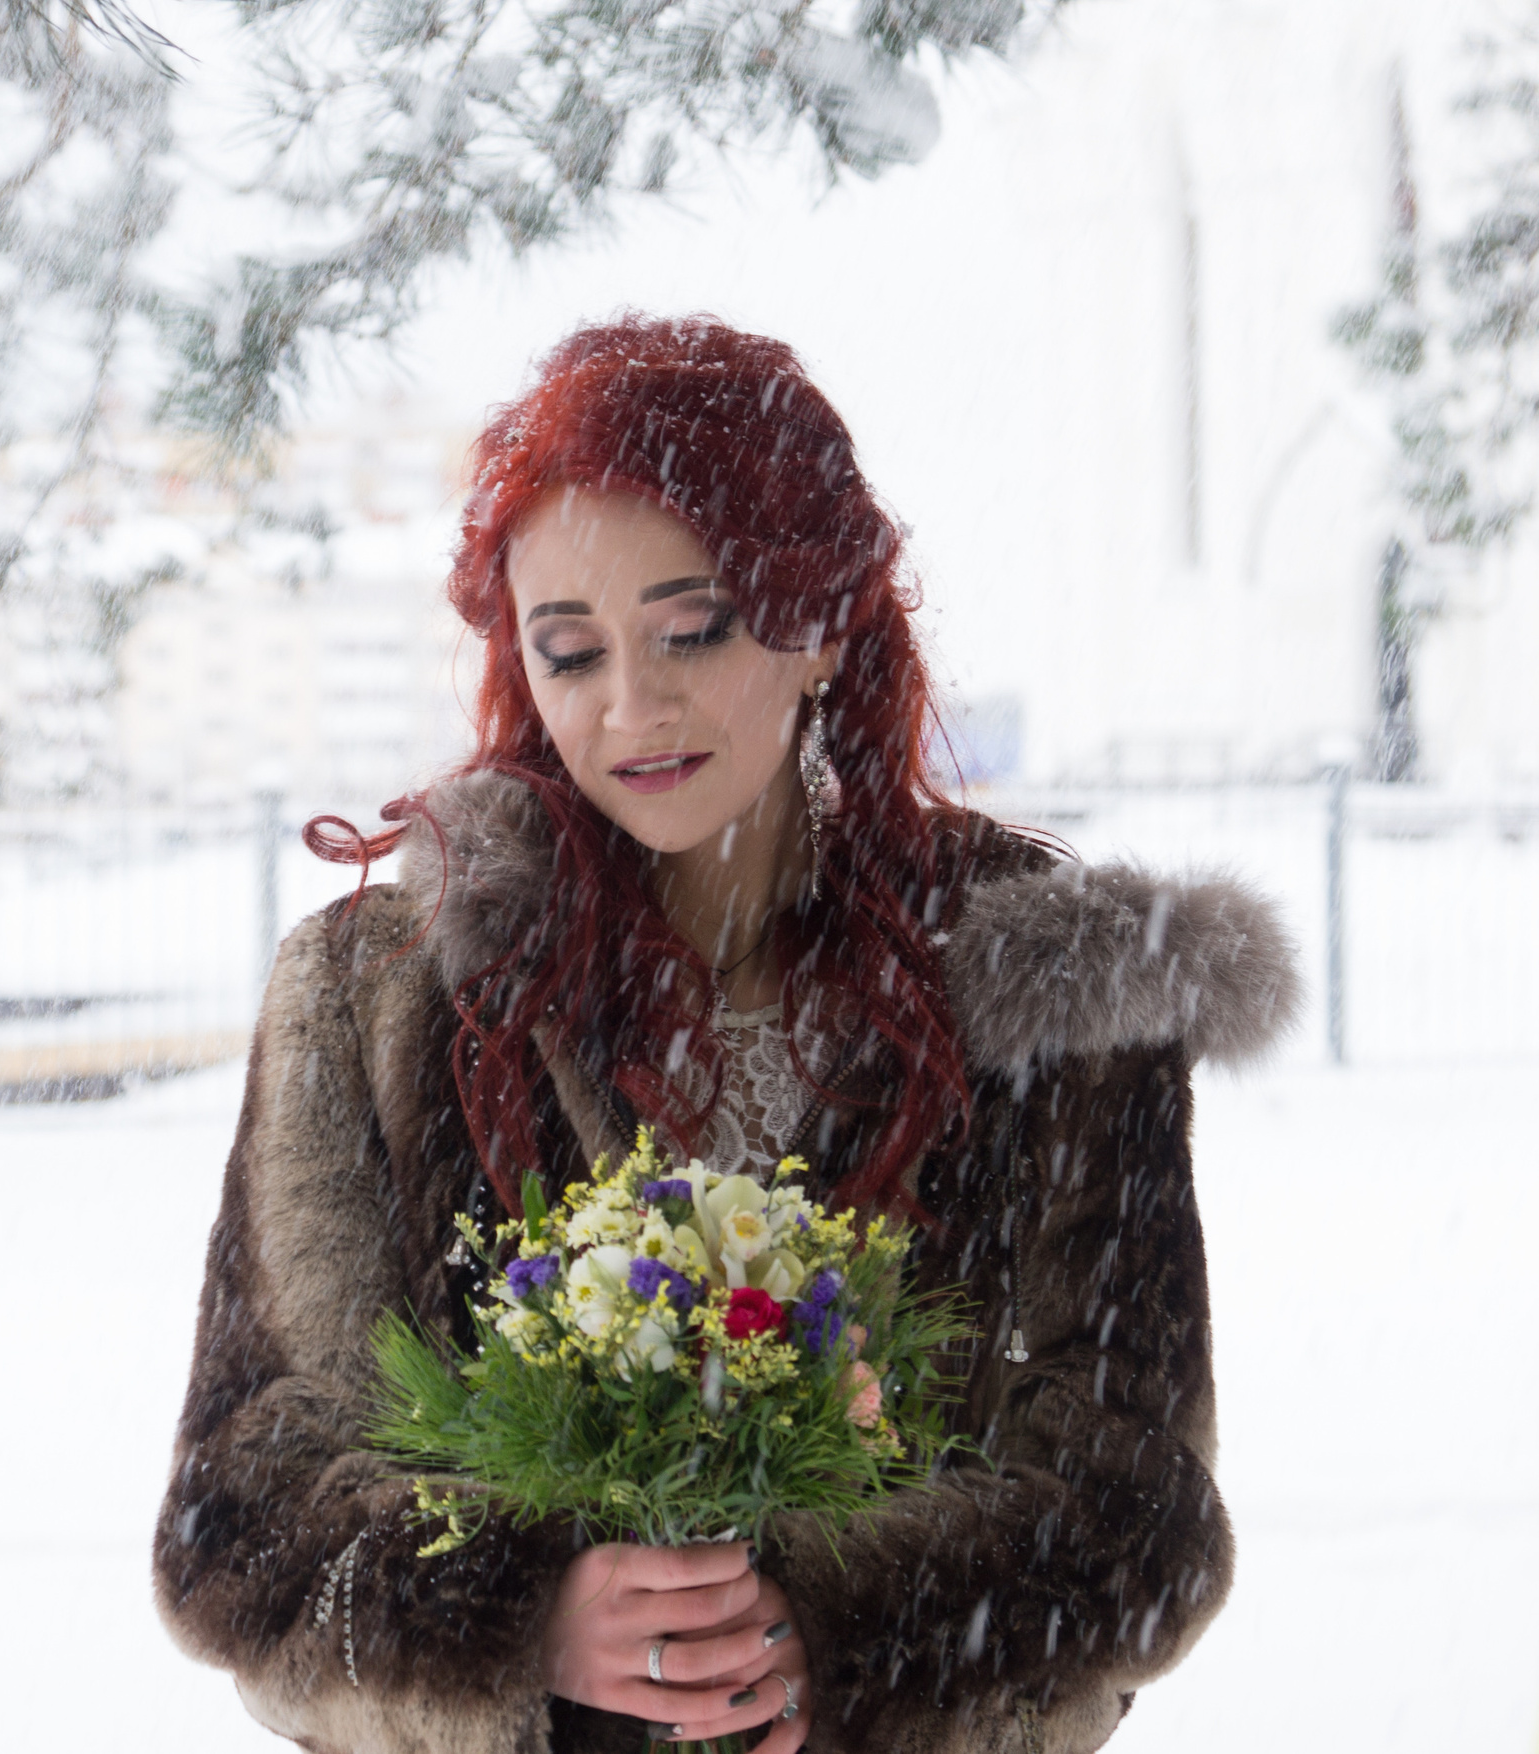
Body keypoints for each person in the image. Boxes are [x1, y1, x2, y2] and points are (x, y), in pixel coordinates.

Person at [152, 314, 1299, 1754]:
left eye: (693, 629)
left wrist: (838, 1631)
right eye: (569, 654)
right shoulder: (378, 991)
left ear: (817, 619)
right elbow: (245, 1514)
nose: (634, 706)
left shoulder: (1048, 989)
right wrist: (525, 1615)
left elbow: (1132, 1505)